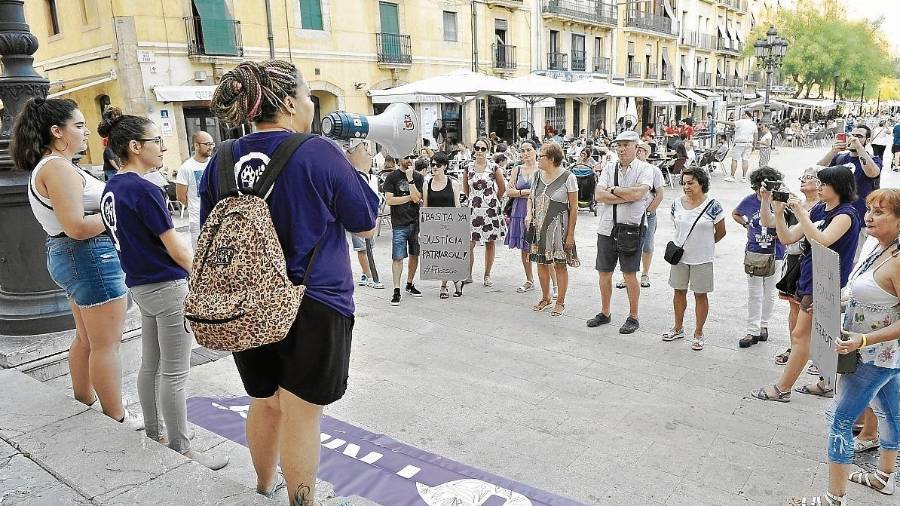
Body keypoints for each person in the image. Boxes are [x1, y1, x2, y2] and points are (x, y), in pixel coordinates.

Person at [203, 60, 378, 503]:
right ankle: (301, 500)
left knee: (264, 400)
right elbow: (366, 224)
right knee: (302, 412)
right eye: (306, 96)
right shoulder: (318, 151)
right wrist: (354, 167)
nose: (310, 105)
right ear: (286, 101)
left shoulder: (221, 158)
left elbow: (210, 233)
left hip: (245, 303)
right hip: (314, 300)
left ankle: (263, 487)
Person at [98, 109, 227, 470]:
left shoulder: (113, 186)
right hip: (167, 287)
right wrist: (204, 278)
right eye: (157, 141)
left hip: (141, 287)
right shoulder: (144, 188)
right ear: (136, 146)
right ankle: (181, 447)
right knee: (173, 373)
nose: (163, 148)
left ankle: (155, 433)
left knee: (151, 365)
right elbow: (175, 247)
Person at [13, 98, 137, 428]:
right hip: (89, 256)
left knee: (86, 339)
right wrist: (119, 210)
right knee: (106, 345)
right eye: (79, 126)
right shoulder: (57, 168)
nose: (86, 133)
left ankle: (84, 400)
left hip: (74, 256)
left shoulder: (55, 165)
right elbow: (77, 226)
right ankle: (116, 416)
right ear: (57, 131)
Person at [790, 188, 900, 506]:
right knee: (891, 414)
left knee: (840, 420)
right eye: (869, 208)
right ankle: (883, 478)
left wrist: (863, 339)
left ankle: (834, 498)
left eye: (880, 212)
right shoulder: (878, 247)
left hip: (871, 356)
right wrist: (837, 302)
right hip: (880, 356)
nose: (870, 215)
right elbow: (869, 295)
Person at [752, 164, 860, 402]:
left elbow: (821, 240)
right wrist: (779, 212)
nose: (819, 187)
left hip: (825, 280)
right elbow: (787, 237)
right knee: (823, 333)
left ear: (839, 187)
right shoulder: (821, 208)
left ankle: (782, 388)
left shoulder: (845, 215)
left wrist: (800, 210)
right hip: (810, 275)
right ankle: (826, 383)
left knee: (801, 336)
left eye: (823, 184)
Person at [587, 131, 654, 334]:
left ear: (636, 147)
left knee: (630, 275)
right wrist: (626, 195)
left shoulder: (645, 169)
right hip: (607, 227)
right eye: (618, 145)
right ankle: (605, 312)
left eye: (626, 144)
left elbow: (639, 193)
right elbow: (599, 195)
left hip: (632, 228)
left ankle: (633, 316)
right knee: (604, 273)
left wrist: (613, 190)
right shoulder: (609, 167)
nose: (621, 149)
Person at [662, 168, 726, 351]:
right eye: (684, 182)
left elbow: (721, 232)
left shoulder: (713, 205)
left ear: (701, 183)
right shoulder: (676, 203)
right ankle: (677, 327)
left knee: (700, 295)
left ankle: (698, 333)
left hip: (703, 258)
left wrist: (705, 244)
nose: (686, 186)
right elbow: (677, 225)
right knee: (678, 292)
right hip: (680, 258)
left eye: (691, 183)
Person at [774, 167, 821, 366]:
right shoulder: (795, 204)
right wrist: (770, 202)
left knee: (812, 309)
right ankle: (795, 346)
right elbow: (778, 230)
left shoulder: (822, 208)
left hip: (812, 262)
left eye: (809, 178)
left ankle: (815, 350)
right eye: (802, 177)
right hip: (793, 259)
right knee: (793, 307)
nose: (803, 181)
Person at [733, 167, 785, 348]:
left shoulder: (780, 201)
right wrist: (746, 224)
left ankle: (764, 325)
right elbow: (736, 213)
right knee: (754, 293)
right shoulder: (748, 201)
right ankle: (752, 330)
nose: (763, 191)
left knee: (769, 292)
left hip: (776, 252)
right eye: (760, 187)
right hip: (754, 252)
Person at [527, 142, 579, 317]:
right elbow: (531, 197)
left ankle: (560, 301)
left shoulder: (568, 177)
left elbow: (574, 207)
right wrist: (529, 215)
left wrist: (570, 234)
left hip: (559, 227)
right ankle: (545, 297)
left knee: (559, 265)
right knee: (541, 263)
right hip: (539, 226)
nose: (538, 158)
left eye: (541, 155)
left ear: (551, 158)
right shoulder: (536, 176)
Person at [818, 124, 882, 260]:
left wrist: (859, 149)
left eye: (860, 136)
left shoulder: (873, 159)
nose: (854, 139)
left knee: (850, 260)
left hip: (857, 218)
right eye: (853, 135)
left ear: (868, 140)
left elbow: (873, 173)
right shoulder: (840, 158)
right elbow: (817, 171)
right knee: (827, 256)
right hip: (833, 215)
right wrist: (832, 152)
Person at [616, 140, 664, 289]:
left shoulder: (653, 170)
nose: (638, 152)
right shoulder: (627, 170)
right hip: (630, 214)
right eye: (637, 149)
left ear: (646, 153)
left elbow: (660, 194)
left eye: (641, 150)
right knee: (627, 244)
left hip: (647, 215)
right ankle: (627, 275)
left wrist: (649, 211)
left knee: (647, 246)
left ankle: (645, 273)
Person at [383, 152, 425, 305]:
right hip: (399, 222)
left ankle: (409, 283)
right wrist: (409, 197)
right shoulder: (392, 177)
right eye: (406, 157)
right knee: (397, 257)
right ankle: (396, 289)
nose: (409, 160)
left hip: (415, 222)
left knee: (415, 254)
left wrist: (410, 179)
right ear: (398, 158)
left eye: (411, 158)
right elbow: (390, 200)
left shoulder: (418, 177)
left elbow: (419, 198)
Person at [464, 138, 506, 287]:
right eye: (477, 148)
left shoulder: (494, 167)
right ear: (474, 149)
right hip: (473, 208)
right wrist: (474, 199)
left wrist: (494, 200)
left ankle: (487, 274)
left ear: (488, 150)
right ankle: (468, 273)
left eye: (483, 148)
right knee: (469, 242)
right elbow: (466, 189)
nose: (479, 151)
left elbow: (502, 188)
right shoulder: (468, 167)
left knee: (490, 242)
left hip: (490, 208)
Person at [421, 152, 463, 298]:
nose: (434, 167)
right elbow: (425, 206)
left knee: (447, 256)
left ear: (445, 166)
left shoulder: (453, 183)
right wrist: (423, 228)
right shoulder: (427, 184)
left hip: (450, 224)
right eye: (432, 164)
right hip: (434, 224)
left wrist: (460, 226)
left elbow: (457, 206)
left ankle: (444, 286)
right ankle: (456, 279)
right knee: (439, 256)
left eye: (438, 165)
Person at [344, 139, 384, 290]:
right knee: (362, 248)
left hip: (370, 215)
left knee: (368, 247)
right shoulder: (353, 176)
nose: (368, 154)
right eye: (364, 151)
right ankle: (370, 276)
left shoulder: (369, 176)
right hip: (359, 216)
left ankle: (364, 273)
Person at [505, 140, 537, 293]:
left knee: (541, 247)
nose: (525, 153)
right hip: (519, 210)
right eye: (523, 150)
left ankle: (553, 284)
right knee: (524, 248)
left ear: (535, 151)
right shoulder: (517, 169)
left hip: (537, 211)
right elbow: (508, 191)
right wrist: (524, 192)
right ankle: (529, 279)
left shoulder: (542, 168)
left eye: (529, 150)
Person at [175, 130, 215, 246]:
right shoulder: (186, 168)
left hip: (217, 217)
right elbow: (181, 196)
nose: (210, 147)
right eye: (207, 144)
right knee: (199, 254)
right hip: (198, 220)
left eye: (212, 144)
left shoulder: (214, 163)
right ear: (196, 145)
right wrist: (195, 206)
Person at [720, 110, 757, 182]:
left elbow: (731, 123)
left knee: (734, 159)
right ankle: (743, 177)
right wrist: (754, 146)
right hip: (749, 143)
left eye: (743, 114)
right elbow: (756, 135)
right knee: (745, 160)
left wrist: (719, 121)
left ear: (746, 115)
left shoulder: (741, 121)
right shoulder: (753, 124)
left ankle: (732, 176)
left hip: (739, 143)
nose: (742, 116)